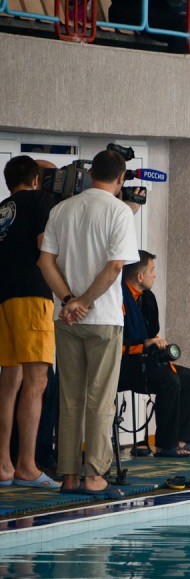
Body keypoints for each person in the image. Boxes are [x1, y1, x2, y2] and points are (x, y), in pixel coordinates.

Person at [38, 149, 140, 499]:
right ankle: (95, 477)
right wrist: (84, 301)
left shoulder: (61, 209)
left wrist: (68, 300)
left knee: (69, 399)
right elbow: (115, 268)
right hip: (103, 319)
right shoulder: (119, 212)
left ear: (90, 173)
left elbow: (45, 262)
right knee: (100, 400)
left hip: (65, 318)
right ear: (120, 178)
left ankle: (68, 475)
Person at [0, 155, 58, 488]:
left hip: (3, 298)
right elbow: (43, 246)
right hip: (32, 296)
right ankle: (27, 465)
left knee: (10, 380)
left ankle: (4, 465)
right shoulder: (40, 201)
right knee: (37, 382)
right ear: (36, 180)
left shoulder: (3, 207)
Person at [120, 251, 190, 457]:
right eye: (152, 270)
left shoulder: (147, 298)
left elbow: (152, 333)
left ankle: (182, 441)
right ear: (140, 277)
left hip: (146, 362)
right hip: (124, 366)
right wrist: (144, 344)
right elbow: (116, 342)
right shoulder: (118, 297)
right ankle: (165, 445)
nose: (154, 275)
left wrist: (158, 345)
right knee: (170, 380)